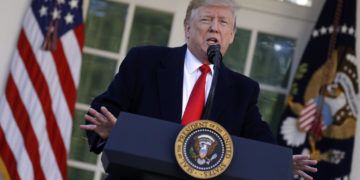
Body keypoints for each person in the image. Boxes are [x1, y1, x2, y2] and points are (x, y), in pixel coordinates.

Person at [80, 0, 317, 179]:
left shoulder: (242, 90)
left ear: (231, 36)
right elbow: (102, 111)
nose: (214, 28)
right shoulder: (145, 61)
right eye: (206, 20)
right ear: (187, 29)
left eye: (223, 22)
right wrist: (112, 130)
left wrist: (279, 162)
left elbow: (260, 143)